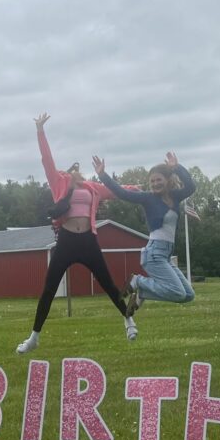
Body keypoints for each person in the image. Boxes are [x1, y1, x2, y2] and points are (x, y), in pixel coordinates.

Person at [16, 113, 138, 354]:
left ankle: (128, 320)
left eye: (78, 172)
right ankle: (34, 337)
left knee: (108, 283)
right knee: (49, 288)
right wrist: (40, 131)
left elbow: (118, 190)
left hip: (88, 241)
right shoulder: (59, 182)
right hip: (67, 240)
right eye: (71, 171)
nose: (76, 173)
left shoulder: (93, 189)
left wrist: (142, 190)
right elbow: (46, 159)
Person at [93, 152, 196, 314]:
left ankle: (143, 292)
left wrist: (176, 167)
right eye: (152, 181)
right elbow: (122, 193)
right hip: (154, 254)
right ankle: (138, 281)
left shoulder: (175, 197)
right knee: (178, 292)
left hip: (165, 255)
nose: (155, 184)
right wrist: (102, 175)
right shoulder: (147, 198)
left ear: (167, 181)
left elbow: (191, 187)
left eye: (159, 180)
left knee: (188, 295)